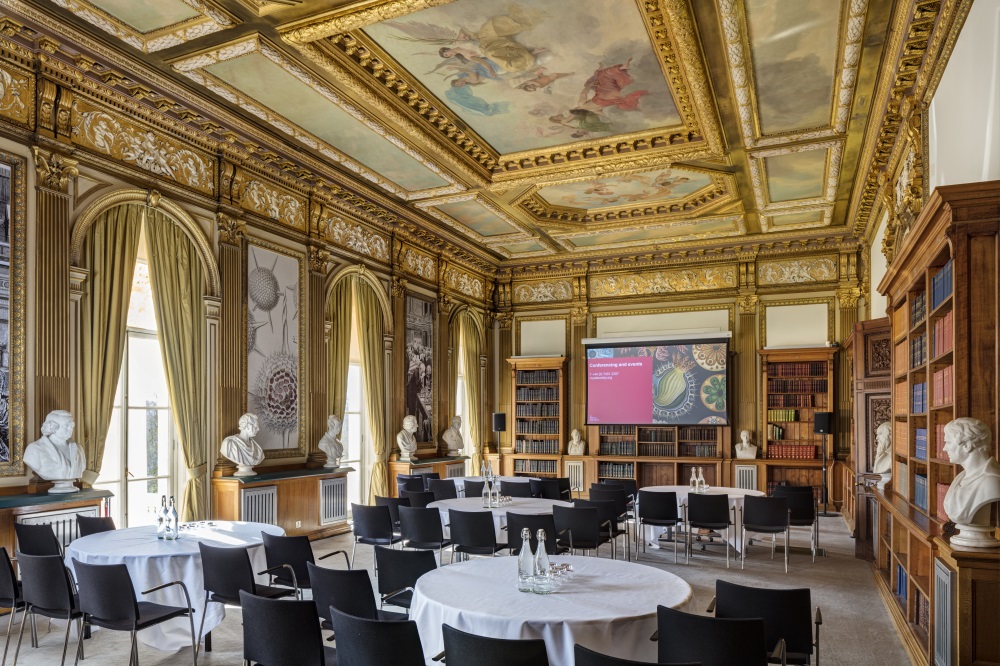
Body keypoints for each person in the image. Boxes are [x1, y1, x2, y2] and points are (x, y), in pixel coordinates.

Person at [942, 418, 1000, 530]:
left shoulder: (992, 481)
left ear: (967, 446)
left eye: (948, 442)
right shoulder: (960, 477)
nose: (944, 448)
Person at [24, 409, 86, 492]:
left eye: (72, 425)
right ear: (52, 427)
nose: (70, 429)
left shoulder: (78, 448)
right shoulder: (35, 449)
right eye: (66, 426)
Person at [221, 413, 265, 477]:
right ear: (246, 425)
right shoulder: (229, 444)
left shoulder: (257, 449)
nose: (258, 429)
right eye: (255, 426)